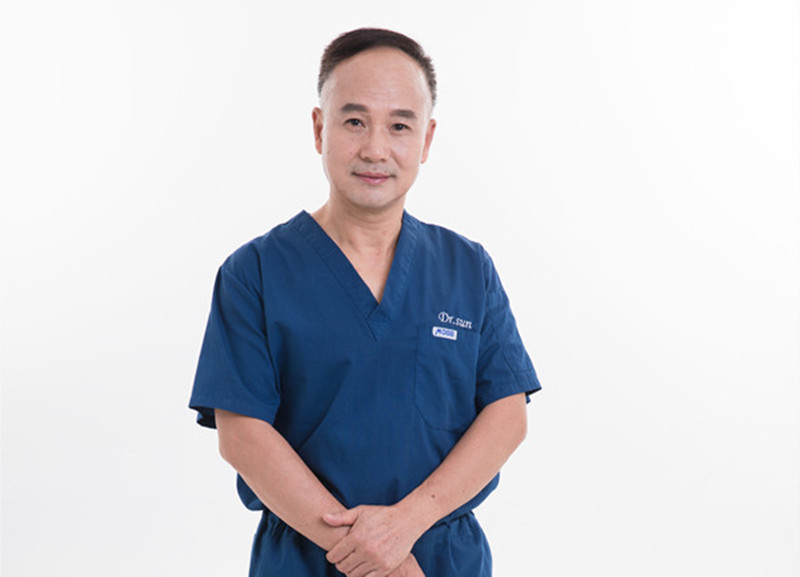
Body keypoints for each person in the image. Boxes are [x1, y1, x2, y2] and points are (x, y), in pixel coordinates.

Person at [190, 27, 541, 577]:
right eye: (354, 121)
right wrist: (376, 559)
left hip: (442, 557)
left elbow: (507, 414)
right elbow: (242, 434)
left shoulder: (467, 268)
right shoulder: (254, 272)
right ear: (319, 128)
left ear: (426, 139)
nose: (376, 149)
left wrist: (405, 526)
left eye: (399, 126)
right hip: (307, 559)